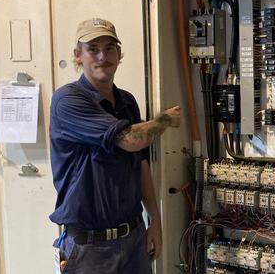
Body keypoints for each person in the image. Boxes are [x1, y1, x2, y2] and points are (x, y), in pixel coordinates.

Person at [49, 18, 181, 273]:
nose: (103, 56)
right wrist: (164, 120)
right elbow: (131, 140)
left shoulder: (127, 101)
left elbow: (141, 164)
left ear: (119, 55)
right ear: (78, 56)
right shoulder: (67, 100)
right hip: (89, 247)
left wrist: (155, 221)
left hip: (133, 239)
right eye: (93, 49)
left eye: (110, 48)